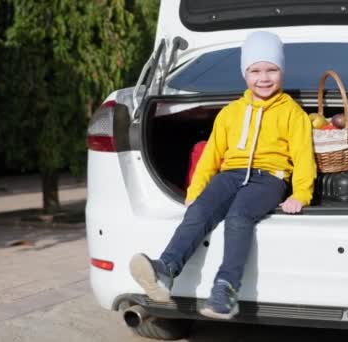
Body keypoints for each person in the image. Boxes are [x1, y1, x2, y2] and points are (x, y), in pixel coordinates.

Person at [129, 31, 317, 320]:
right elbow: (211, 157)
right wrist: (195, 191)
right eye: (255, 71)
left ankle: (225, 290)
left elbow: (304, 157)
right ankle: (165, 270)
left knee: (238, 217)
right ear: (245, 73)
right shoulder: (230, 113)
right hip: (230, 174)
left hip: (270, 178)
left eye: (271, 70)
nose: (263, 78)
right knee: (200, 210)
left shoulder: (293, 113)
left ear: (282, 71)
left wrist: (300, 193)